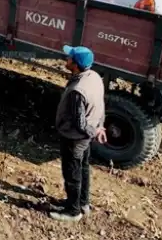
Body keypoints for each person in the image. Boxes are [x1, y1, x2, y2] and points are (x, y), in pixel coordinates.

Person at [49, 45, 107, 222]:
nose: (66, 60)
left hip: (75, 138)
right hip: (86, 137)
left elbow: (79, 123)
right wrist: (100, 126)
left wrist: (94, 131)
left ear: (75, 64)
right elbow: (100, 104)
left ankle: (73, 212)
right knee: (83, 168)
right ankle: (83, 203)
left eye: (69, 58)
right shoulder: (94, 77)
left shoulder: (77, 91)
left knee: (72, 173)